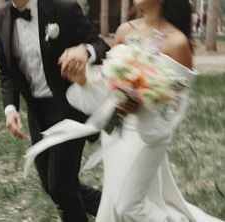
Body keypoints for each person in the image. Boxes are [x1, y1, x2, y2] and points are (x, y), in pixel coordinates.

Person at [63, 0, 224, 221]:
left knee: (127, 207)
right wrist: (82, 79)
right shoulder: (124, 31)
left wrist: (144, 95)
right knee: (114, 201)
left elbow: (175, 109)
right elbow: (106, 88)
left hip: (149, 137)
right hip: (116, 132)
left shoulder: (178, 42)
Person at [0, 0, 109, 221]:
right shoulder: (0, 18)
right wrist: (10, 109)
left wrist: (85, 50)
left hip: (68, 107)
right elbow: (6, 73)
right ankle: (115, 207)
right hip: (37, 112)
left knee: (60, 187)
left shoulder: (63, 8)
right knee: (52, 185)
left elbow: (100, 45)